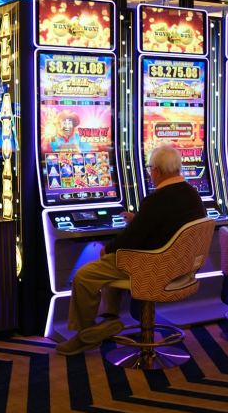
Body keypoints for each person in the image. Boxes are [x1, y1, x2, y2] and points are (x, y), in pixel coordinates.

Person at [56, 144, 207, 355]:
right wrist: (138, 221)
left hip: (154, 268)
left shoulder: (158, 199)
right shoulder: (192, 193)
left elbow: (130, 239)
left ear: (158, 170)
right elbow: (167, 226)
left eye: (150, 169)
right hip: (181, 267)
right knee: (116, 261)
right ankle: (109, 320)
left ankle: (84, 334)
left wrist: (108, 248)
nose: (150, 174)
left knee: (87, 274)